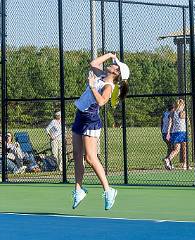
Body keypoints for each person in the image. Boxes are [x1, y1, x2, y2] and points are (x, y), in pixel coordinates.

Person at [71, 52, 129, 210]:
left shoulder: (108, 86)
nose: (111, 64)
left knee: (90, 158)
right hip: (79, 116)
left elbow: (102, 101)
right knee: (77, 155)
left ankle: (109, 191)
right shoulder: (102, 74)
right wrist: (110, 55)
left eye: (114, 65)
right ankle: (78, 190)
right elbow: (93, 63)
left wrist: (91, 87)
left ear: (116, 72)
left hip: (91, 121)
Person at [164, 99, 190, 170]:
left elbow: (170, 123)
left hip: (175, 132)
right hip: (182, 132)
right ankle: (185, 164)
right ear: (181, 105)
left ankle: (168, 159)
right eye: (183, 105)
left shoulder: (172, 113)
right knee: (184, 149)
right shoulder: (183, 112)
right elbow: (188, 122)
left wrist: (168, 132)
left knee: (176, 149)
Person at [161, 103, 175, 169]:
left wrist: (162, 131)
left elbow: (161, 123)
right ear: (172, 108)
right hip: (169, 133)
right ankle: (168, 160)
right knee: (172, 148)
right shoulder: (172, 114)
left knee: (170, 148)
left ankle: (168, 162)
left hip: (164, 133)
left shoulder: (164, 113)